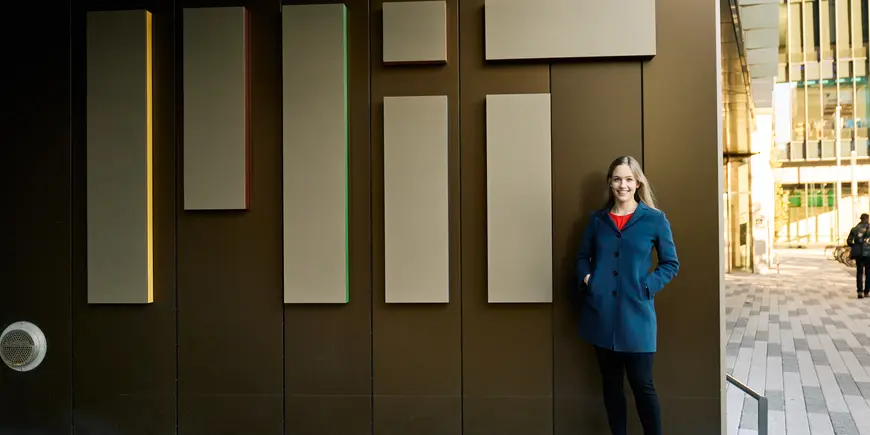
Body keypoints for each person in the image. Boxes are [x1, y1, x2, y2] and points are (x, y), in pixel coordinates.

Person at [574, 156, 680, 435]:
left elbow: (671, 263)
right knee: (611, 385)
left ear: (638, 183)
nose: (623, 185)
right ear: (610, 183)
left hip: (637, 316)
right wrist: (589, 280)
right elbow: (582, 257)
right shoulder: (597, 221)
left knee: (643, 386)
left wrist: (647, 287)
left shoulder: (655, 220)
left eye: (629, 179)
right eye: (617, 179)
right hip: (602, 314)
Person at [847, 213, 870, 298]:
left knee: (859, 272)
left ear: (860, 219)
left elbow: (849, 241)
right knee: (868, 272)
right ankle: (866, 291)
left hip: (859, 253)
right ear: (867, 219)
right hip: (868, 253)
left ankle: (859, 291)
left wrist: (855, 246)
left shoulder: (854, 229)